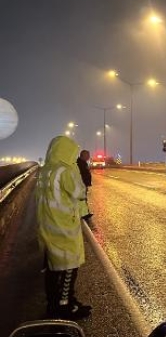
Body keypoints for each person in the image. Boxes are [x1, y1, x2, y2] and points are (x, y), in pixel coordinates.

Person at [36, 135, 92, 320]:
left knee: (53, 269)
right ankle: (64, 306)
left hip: (47, 226)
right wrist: (75, 169)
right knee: (69, 268)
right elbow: (80, 193)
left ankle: (54, 304)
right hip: (63, 227)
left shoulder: (44, 170)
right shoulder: (65, 170)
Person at [76, 150, 93, 220]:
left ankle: (85, 213)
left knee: (83, 199)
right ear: (83, 155)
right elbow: (81, 174)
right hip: (81, 184)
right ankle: (84, 214)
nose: (89, 156)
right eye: (88, 155)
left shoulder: (83, 162)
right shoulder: (80, 163)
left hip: (83, 184)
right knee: (82, 199)